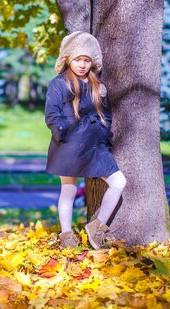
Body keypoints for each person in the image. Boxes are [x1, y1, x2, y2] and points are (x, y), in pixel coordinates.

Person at [44, 31, 127, 249]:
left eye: (86, 60)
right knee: (68, 189)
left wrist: (104, 132)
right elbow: (52, 115)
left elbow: (105, 113)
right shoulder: (59, 84)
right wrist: (64, 135)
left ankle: (97, 226)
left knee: (119, 182)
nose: (82, 64)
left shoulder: (96, 84)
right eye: (77, 59)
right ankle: (66, 235)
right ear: (68, 60)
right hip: (69, 146)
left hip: (95, 146)